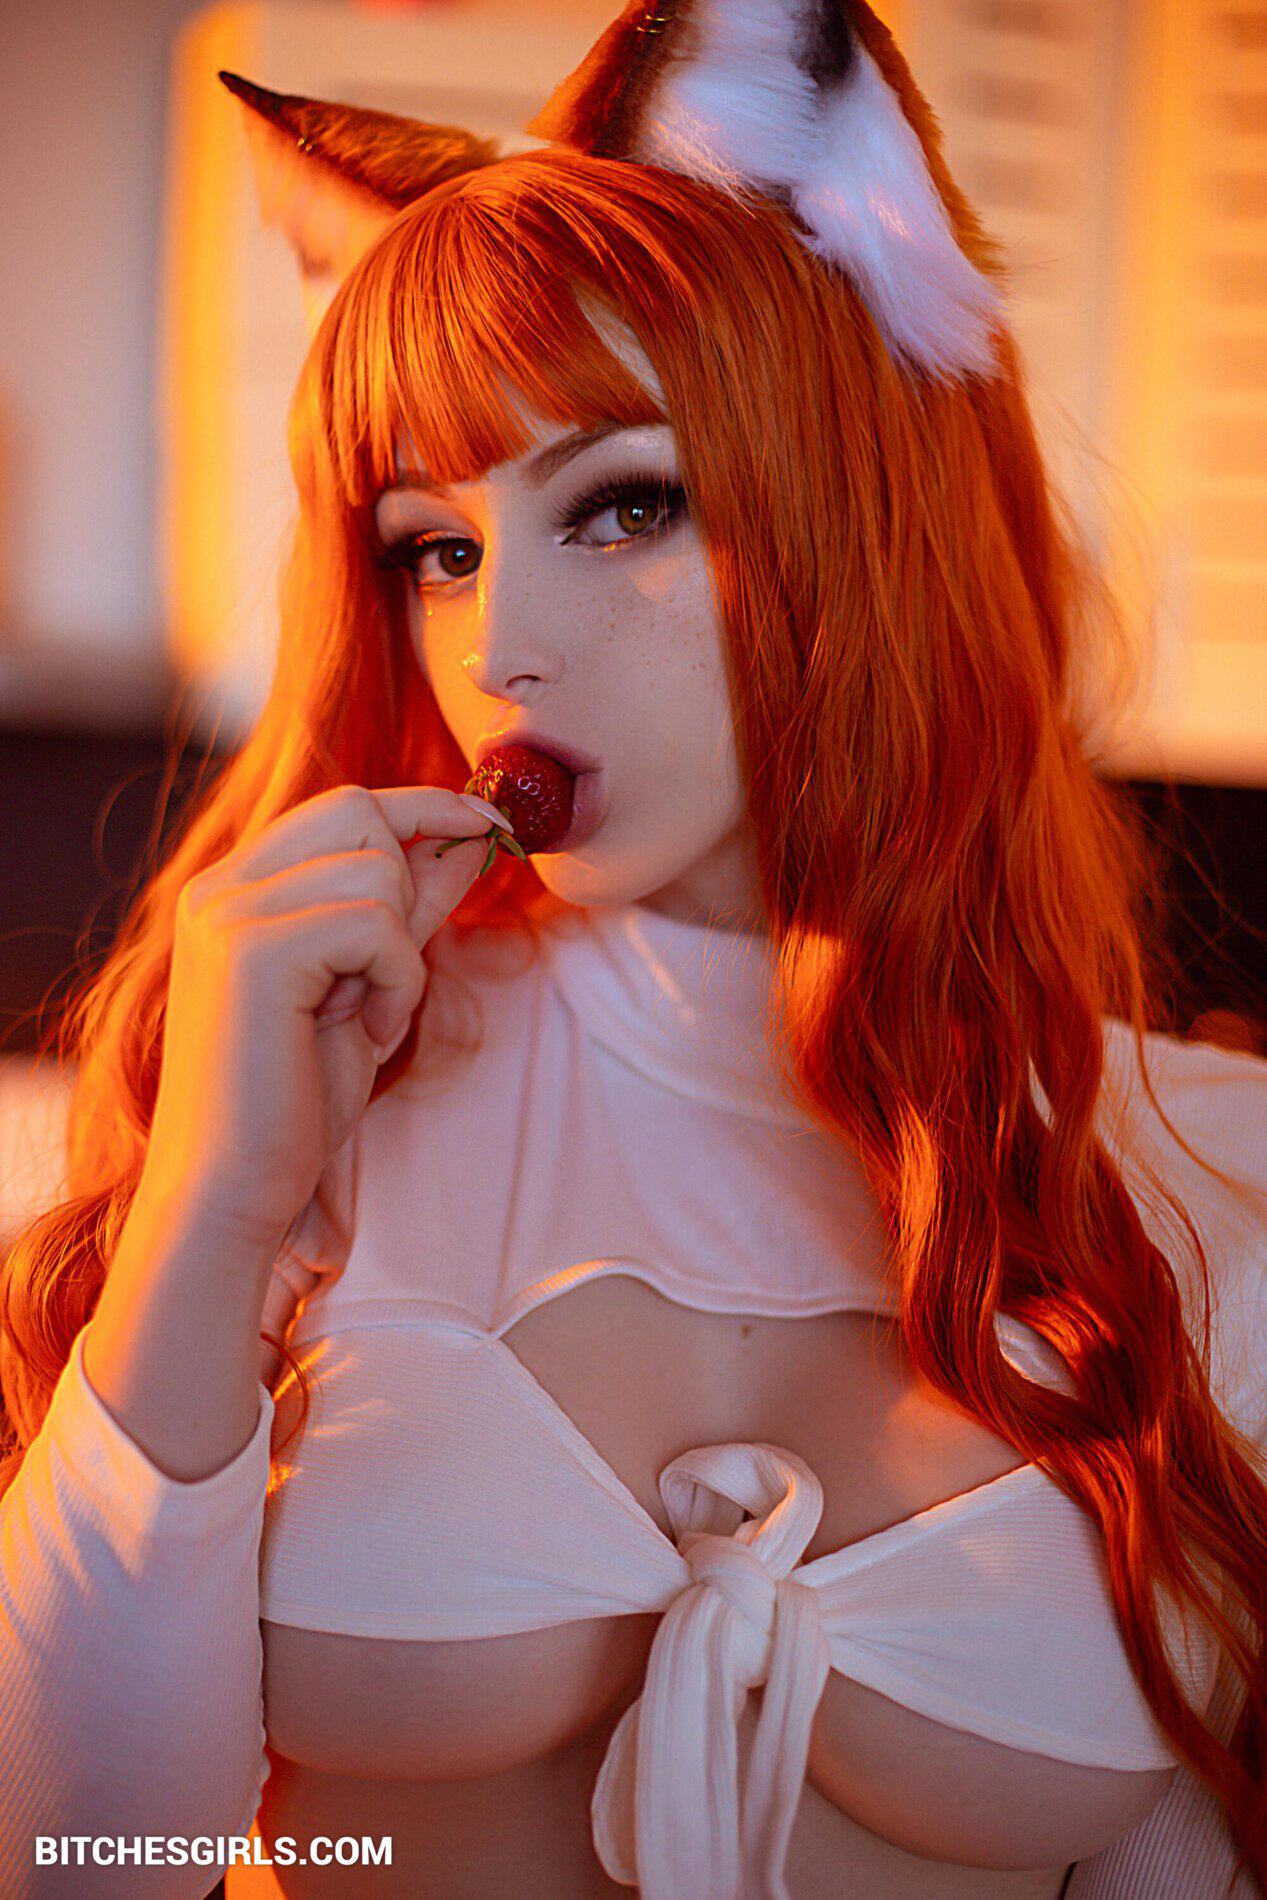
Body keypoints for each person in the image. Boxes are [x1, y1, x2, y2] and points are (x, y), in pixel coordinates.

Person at [1, 2, 1265, 1894]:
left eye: (626, 504)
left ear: (875, 517)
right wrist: (214, 1206)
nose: (499, 645)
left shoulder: (1207, 1185)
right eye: (435, 547)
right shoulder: (314, 1094)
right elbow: (76, 1858)